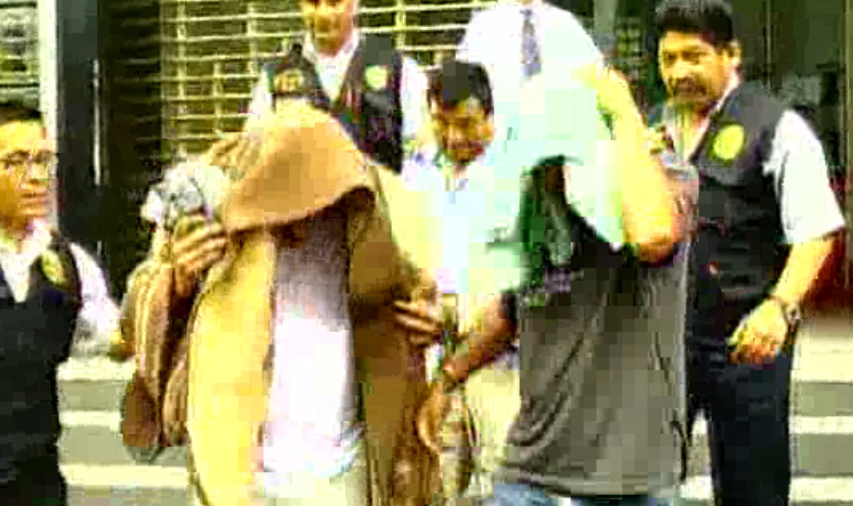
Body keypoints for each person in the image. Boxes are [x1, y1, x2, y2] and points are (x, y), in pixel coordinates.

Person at [120, 104, 443, 506]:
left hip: (340, 474)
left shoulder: (375, 221)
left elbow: (438, 301)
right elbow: (132, 321)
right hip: (239, 473)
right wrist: (179, 283)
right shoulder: (217, 213)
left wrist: (438, 323)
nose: (302, 219)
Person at [409, 60, 686, 506]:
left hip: (626, 476)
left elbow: (653, 235)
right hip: (532, 467)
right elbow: (510, 311)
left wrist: (623, 114)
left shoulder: (661, 178)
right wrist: (446, 379)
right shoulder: (533, 208)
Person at [650, 1, 847, 504]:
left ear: (731, 54)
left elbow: (816, 229)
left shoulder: (777, 127)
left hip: (745, 339)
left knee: (752, 488)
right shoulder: (652, 128)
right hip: (661, 342)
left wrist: (779, 307)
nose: (679, 72)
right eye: (669, 58)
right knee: (641, 482)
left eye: (694, 56)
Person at [0, 100, 124, 506]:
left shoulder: (67, 262)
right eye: (15, 161)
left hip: (34, 484)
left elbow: (118, 340)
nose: (35, 176)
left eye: (42, 160)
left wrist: (171, 278)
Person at [397, 60, 521, 503]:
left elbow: (519, 290)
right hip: (430, 363)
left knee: (509, 487)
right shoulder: (416, 173)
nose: (453, 137)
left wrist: (453, 319)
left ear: (490, 115)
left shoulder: (519, 174)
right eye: (441, 123)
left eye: (466, 124)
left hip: (502, 364)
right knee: (429, 487)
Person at [244, 0, 430, 174]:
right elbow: (252, 161)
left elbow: (422, 159)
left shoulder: (400, 70)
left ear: (355, 3)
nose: (323, 13)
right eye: (313, 3)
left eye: (334, 2)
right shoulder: (274, 78)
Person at [455, 0, 602, 144]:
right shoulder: (481, 29)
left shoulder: (566, 25)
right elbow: (463, 90)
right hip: (501, 143)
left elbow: (598, 82)